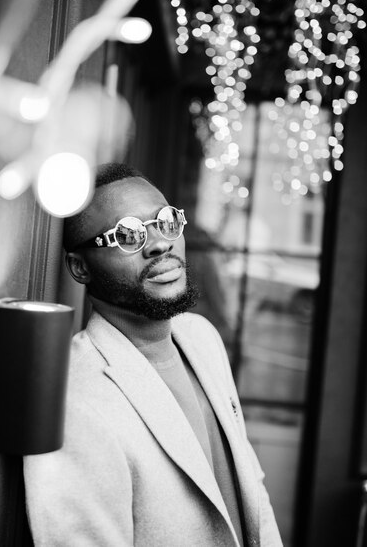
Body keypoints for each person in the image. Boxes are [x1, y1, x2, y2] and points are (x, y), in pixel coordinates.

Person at [23, 162, 283, 547]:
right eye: (127, 235)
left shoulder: (202, 339)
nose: (160, 243)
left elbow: (252, 491)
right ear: (80, 267)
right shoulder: (75, 401)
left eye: (165, 222)